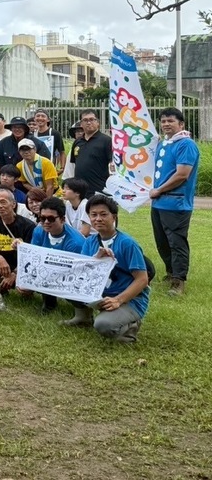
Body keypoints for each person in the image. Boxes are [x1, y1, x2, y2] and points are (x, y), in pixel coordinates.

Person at [61, 195, 150, 343]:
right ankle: (83, 317)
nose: (98, 219)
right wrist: (96, 259)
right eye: (93, 215)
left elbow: (142, 279)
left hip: (129, 299)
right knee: (68, 285)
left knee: (103, 325)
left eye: (103, 214)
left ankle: (130, 327)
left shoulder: (127, 243)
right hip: (101, 295)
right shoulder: (89, 242)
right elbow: (83, 273)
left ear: (113, 217)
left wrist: (118, 300)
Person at [149, 107, 200, 296]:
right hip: (159, 202)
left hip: (176, 203)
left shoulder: (186, 144)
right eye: (163, 121)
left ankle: (179, 281)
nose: (166, 124)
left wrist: (159, 190)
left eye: (170, 121)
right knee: (162, 241)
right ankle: (171, 273)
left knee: (176, 242)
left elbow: (182, 175)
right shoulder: (164, 144)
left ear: (181, 124)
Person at [29, 197, 86, 314]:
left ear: (62, 219)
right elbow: (34, 257)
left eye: (50, 219)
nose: (45, 222)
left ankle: (81, 309)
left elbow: (76, 271)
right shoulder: (38, 231)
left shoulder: (75, 242)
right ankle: (49, 302)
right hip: (49, 271)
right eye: (42, 218)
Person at [0, 187, 37, 292]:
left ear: (13, 204)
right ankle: (1, 282)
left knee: (24, 290)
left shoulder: (27, 225)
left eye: (3, 202)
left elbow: (31, 255)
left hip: (22, 266)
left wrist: (15, 274)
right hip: (2, 264)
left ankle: (16, 282)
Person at [68, 109, 113, 197]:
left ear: (98, 123)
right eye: (85, 120)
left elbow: (113, 165)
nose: (88, 123)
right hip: (80, 191)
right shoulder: (77, 142)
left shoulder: (106, 141)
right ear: (81, 124)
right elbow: (74, 165)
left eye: (92, 119)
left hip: (99, 190)